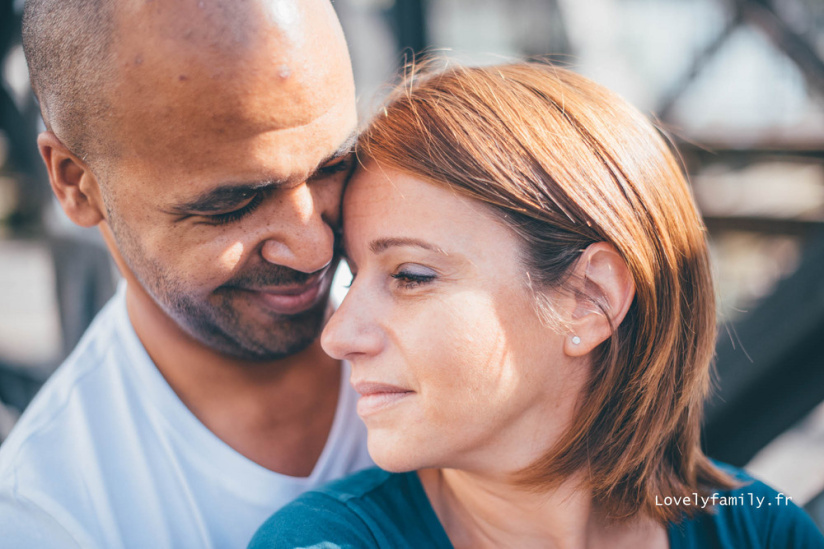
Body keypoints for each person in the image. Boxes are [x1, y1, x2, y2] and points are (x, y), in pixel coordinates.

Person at [250, 62, 824, 548]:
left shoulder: (761, 529)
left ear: (589, 298)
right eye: (353, 276)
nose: (338, 335)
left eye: (410, 276)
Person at [0, 0, 373, 547]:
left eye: (334, 166)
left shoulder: (471, 323)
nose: (314, 251)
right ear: (76, 184)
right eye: (233, 204)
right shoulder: (51, 517)